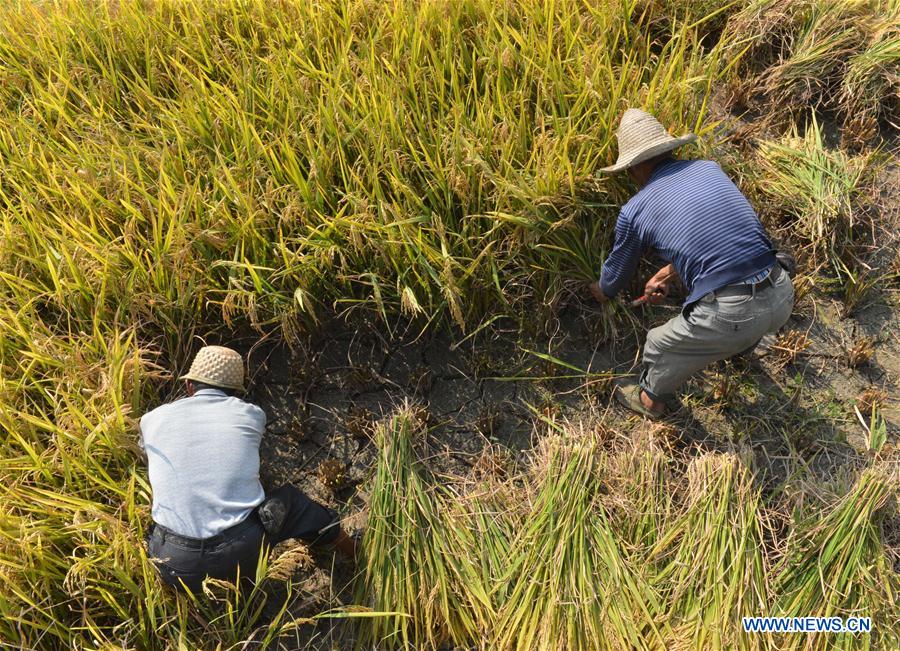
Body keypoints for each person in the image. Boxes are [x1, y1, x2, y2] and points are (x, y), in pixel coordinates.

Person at [591, 109, 794, 418]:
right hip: (782, 294)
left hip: (734, 316)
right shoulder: (708, 169)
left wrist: (598, 290)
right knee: (741, 319)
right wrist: (665, 275)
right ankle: (742, 346)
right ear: (670, 150)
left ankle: (650, 402)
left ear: (633, 168)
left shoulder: (634, 210)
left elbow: (614, 279)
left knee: (658, 344)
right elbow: (723, 240)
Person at [140, 345, 356, 593]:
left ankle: (213, 593)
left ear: (189, 386)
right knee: (293, 503)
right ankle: (354, 551)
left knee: (155, 530)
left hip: (174, 564)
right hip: (240, 552)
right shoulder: (251, 415)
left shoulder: (151, 419)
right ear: (236, 392)